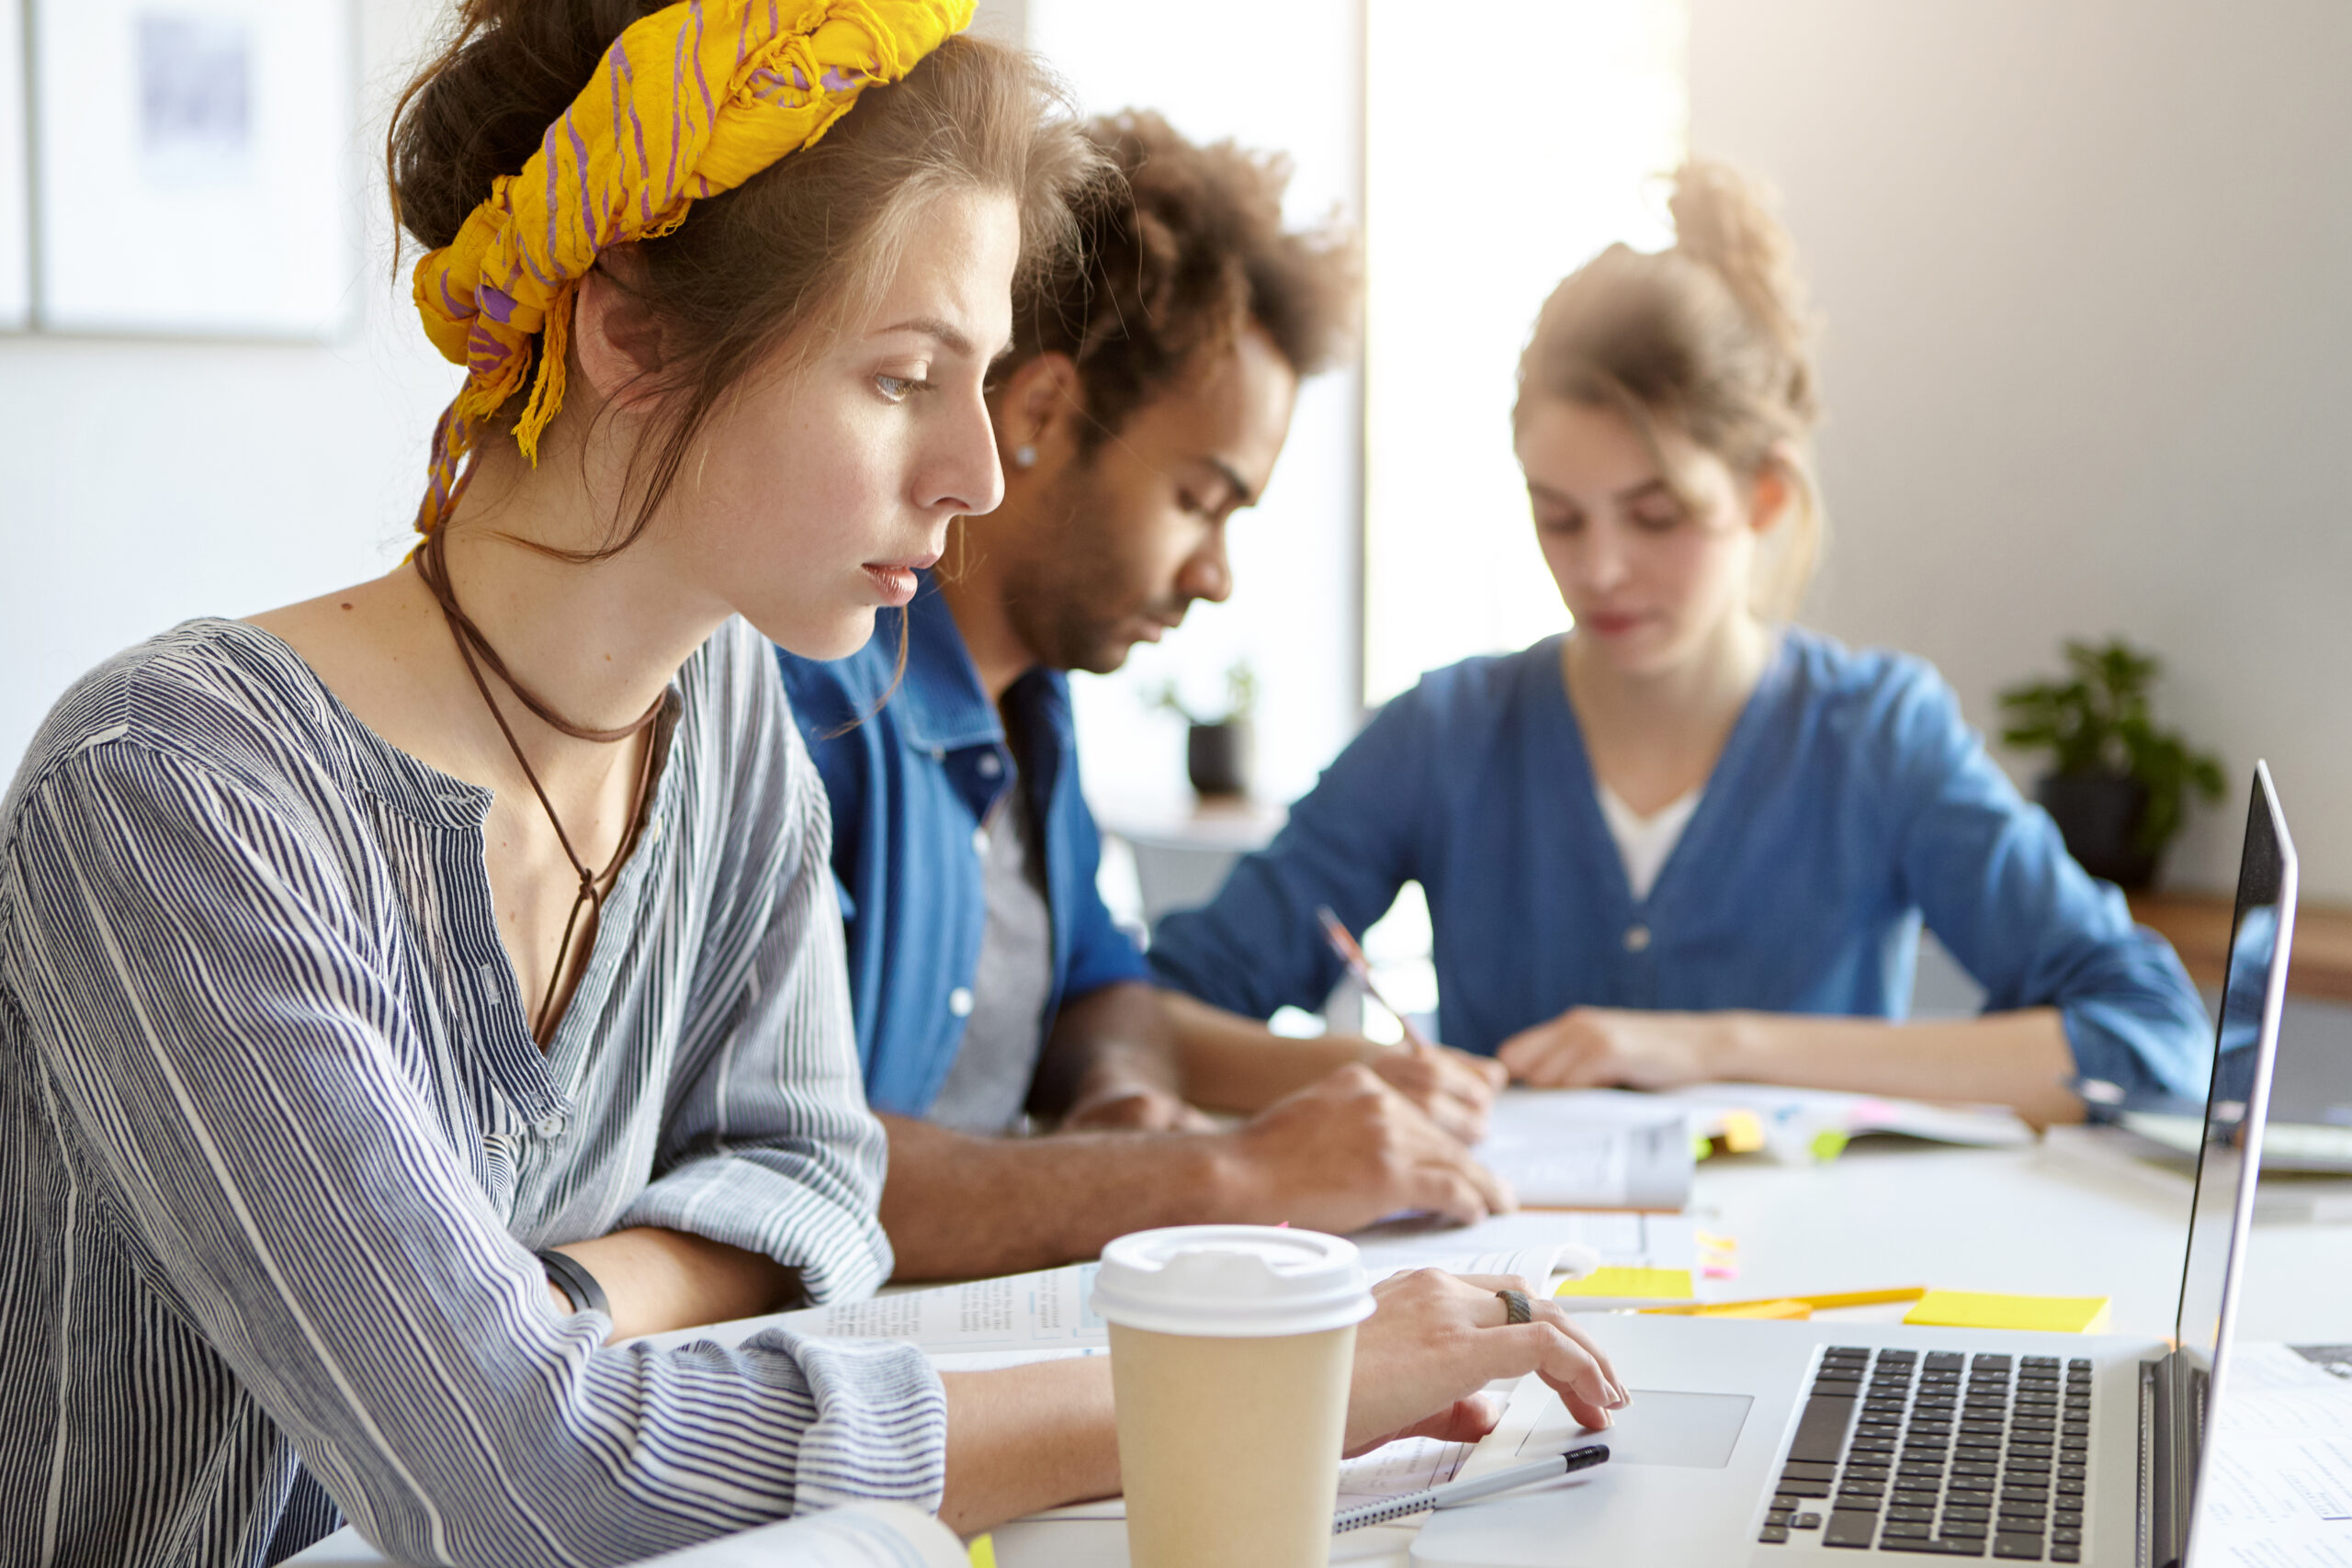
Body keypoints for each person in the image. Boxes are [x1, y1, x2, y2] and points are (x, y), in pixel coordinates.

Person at [0, 7, 1624, 1564]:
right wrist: (1257, 1386)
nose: (979, 473)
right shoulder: (169, 798)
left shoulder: (723, 724)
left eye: (985, 385)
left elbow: (823, 1180)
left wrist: (545, 1305)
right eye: (906, 376)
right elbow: (532, 1480)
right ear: (630, 330)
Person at [1149, 163, 2212, 1126]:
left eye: (1655, 516)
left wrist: (1713, 1050)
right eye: (1559, 516)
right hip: (1516, 1307)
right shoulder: (1445, 733)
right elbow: (1147, 1018)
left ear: (1762, 493)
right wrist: (1376, 1079)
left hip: (1814, 1300)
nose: (1599, 569)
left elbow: (2150, 1038)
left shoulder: (1876, 735)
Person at [779, 111, 1510, 1284]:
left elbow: (1100, 986)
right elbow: (798, 1179)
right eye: (1198, 500)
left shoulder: (1031, 711)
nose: (1212, 574)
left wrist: (1120, 1091)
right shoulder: (814, 706)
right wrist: (1227, 1175)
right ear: (1043, 417)